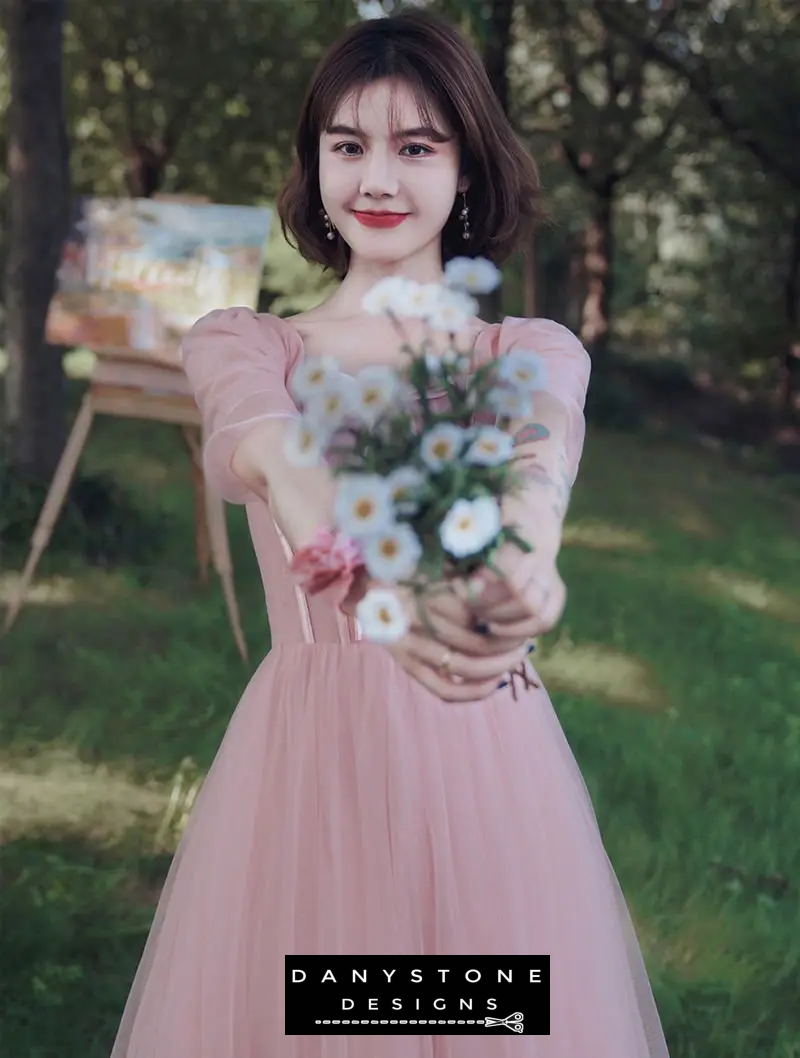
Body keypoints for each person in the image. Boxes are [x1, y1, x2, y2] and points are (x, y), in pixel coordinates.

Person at [109, 11, 670, 1057]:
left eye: (415, 146)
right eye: (347, 144)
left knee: (480, 1018)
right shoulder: (245, 343)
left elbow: (530, 473)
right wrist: (378, 594)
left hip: (484, 748)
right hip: (309, 752)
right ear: (313, 160)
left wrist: (525, 569)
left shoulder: (526, 346)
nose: (376, 176)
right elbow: (281, 460)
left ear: (466, 166)